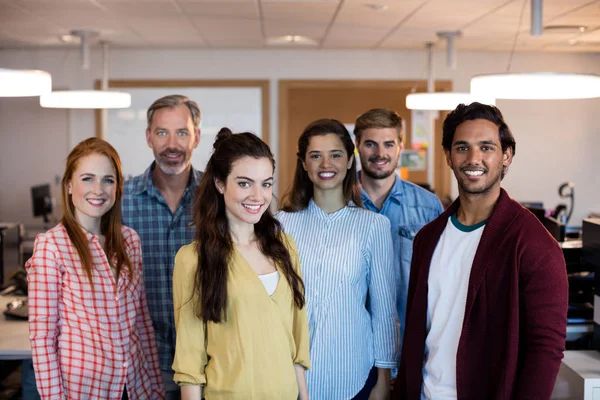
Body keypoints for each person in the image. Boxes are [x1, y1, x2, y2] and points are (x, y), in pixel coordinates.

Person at [394, 102, 568, 399]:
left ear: (506, 156)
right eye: (462, 148)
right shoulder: (427, 239)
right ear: (448, 156)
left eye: (486, 147)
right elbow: (416, 333)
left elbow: (545, 348)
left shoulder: (534, 245)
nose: (474, 158)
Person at [172, 128, 310, 400]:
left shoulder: (285, 248)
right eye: (245, 183)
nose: (258, 196)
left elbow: (297, 345)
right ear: (220, 184)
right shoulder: (193, 259)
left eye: (266, 184)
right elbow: (190, 363)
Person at [26, 138, 164, 399]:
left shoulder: (130, 241)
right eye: (87, 178)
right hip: (85, 391)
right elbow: (43, 340)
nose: (98, 189)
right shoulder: (51, 246)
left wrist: (155, 390)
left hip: (135, 387)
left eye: (108, 180)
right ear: (69, 185)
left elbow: (142, 323)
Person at [277, 119, 399, 400]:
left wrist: (383, 380)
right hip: (289, 378)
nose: (325, 164)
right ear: (304, 164)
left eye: (335, 155)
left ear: (348, 162)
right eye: (315, 156)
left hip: (353, 375)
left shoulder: (373, 226)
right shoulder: (281, 225)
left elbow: (383, 312)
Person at [122, 94, 202, 399]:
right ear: (148, 137)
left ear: (196, 137)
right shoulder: (121, 201)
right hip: (142, 362)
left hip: (206, 361)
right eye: (162, 132)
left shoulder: (218, 198)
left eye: (182, 132)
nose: (172, 144)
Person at [354, 108, 443, 341]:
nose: (380, 153)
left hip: (410, 343)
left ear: (400, 146)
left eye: (388, 144)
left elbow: (442, 281)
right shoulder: (338, 203)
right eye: (371, 144)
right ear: (357, 144)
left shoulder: (428, 207)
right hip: (351, 345)